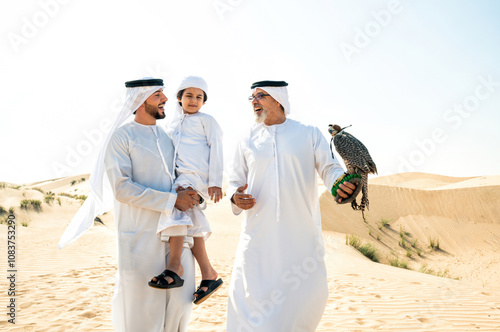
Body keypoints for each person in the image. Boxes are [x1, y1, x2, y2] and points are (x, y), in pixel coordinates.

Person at [59, 77, 201, 332]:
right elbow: (122, 188)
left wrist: (193, 192)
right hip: (139, 238)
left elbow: (184, 173)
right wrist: (171, 201)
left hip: (177, 234)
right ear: (140, 99)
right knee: (143, 311)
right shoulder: (121, 137)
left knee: (181, 303)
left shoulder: (168, 138)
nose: (166, 99)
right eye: (158, 94)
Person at [226, 80, 357, 331]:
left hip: (299, 234)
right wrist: (234, 196)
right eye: (252, 97)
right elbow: (234, 179)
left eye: (260, 96)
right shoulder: (247, 139)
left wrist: (339, 183)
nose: (254, 102)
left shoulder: (307, 132)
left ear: (278, 100)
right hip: (257, 235)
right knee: (249, 299)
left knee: (300, 300)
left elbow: (329, 167)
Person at [149, 76, 224, 305]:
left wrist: (216, 181)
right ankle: (209, 274)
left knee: (175, 208)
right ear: (179, 98)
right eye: (189, 95)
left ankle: (174, 266)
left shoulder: (207, 120)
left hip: (197, 178)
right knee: (191, 221)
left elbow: (217, 148)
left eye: (199, 97)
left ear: (204, 101)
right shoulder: (172, 125)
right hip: (179, 177)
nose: (194, 100)